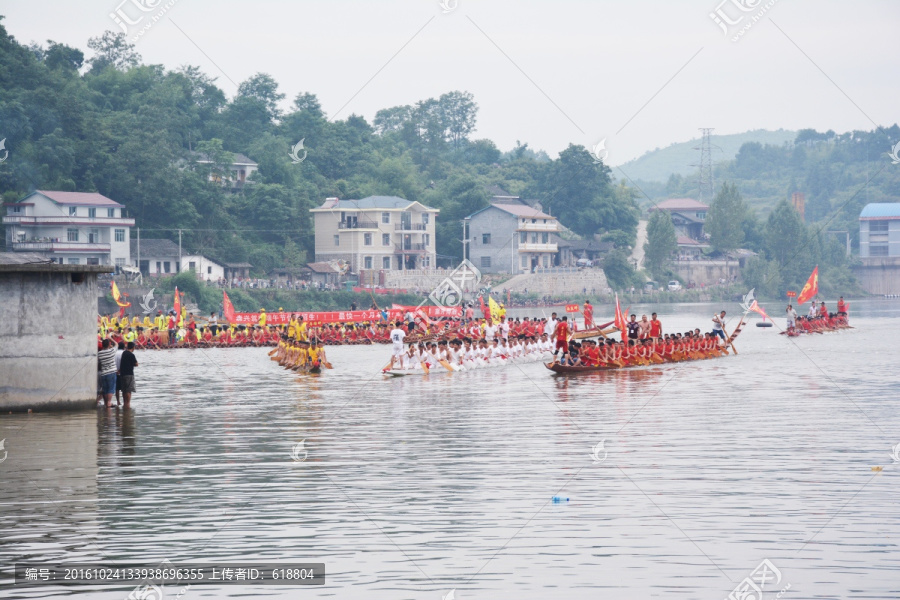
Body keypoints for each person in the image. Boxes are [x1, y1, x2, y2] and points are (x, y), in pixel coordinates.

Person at [98, 339, 118, 407]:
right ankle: (109, 403)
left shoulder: (99, 353)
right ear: (109, 345)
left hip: (103, 374)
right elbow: (116, 344)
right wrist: (110, 338)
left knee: (105, 389)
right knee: (110, 389)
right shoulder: (112, 351)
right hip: (111, 373)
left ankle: (106, 404)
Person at [118, 341, 138, 405]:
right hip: (129, 374)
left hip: (122, 374)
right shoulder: (132, 355)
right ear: (133, 347)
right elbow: (136, 364)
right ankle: (128, 404)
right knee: (129, 390)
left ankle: (125, 403)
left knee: (124, 390)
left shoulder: (124, 353)